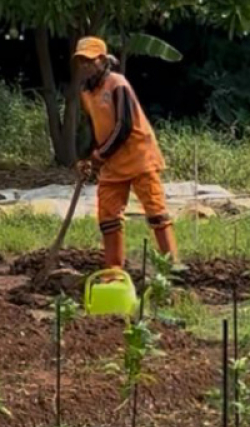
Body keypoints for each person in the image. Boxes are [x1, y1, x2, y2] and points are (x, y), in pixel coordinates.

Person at [73, 37, 178, 270]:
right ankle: (114, 270)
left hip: (138, 157)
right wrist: (86, 157)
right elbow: (91, 128)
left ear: (102, 60)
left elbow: (124, 125)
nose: (86, 66)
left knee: (155, 213)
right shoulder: (86, 92)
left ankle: (172, 268)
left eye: (90, 61)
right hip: (112, 162)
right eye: (82, 62)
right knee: (108, 217)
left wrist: (101, 155)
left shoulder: (117, 84)